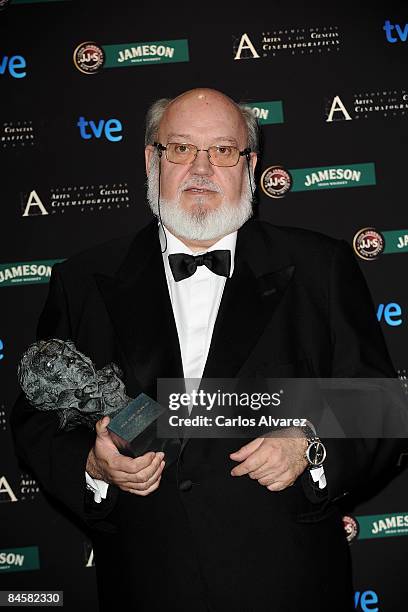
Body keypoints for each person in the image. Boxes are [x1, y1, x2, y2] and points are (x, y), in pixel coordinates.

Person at [11, 88, 405, 612]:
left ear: (251, 165)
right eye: (181, 149)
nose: (202, 167)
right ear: (152, 159)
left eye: (222, 150)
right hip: (146, 583)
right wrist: (93, 464)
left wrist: (310, 442)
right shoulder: (82, 280)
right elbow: (37, 420)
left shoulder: (320, 267)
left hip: (290, 585)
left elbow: (381, 404)